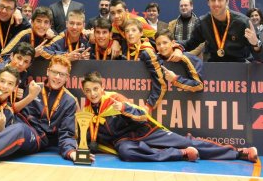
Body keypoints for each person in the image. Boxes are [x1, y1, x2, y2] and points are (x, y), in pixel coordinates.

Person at [70, 71, 258, 163]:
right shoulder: (86, 112)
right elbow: (90, 138)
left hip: (145, 132)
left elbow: (142, 116)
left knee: (184, 141)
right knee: (126, 154)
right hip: (124, 141)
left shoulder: (114, 99)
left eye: (95, 89)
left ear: (102, 87)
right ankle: (181, 155)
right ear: (84, 92)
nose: (93, 93)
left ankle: (238, 152)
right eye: (88, 91)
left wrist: (125, 108)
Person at [170, 0, 262, 62]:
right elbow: (190, 43)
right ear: (208, 2)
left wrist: (256, 44)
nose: (216, 3)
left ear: (227, 1)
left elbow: (259, 56)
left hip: (239, 66)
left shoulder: (243, 22)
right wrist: (178, 48)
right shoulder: (203, 22)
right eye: (213, 0)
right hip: (213, 67)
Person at [122, 18, 166, 112]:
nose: (130, 33)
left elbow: (160, 81)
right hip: (130, 102)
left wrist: (150, 105)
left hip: (145, 105)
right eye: (127, 31)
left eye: (134, 30)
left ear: (141, 33)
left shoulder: (147, 52)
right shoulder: (125, 51)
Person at [0, 42, 35, 111]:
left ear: (29, 65)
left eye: (26, 62)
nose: (21, 63)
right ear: (11, 56)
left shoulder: (24, 73)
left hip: (5, 108)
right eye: (19, 58)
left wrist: (17, 96)